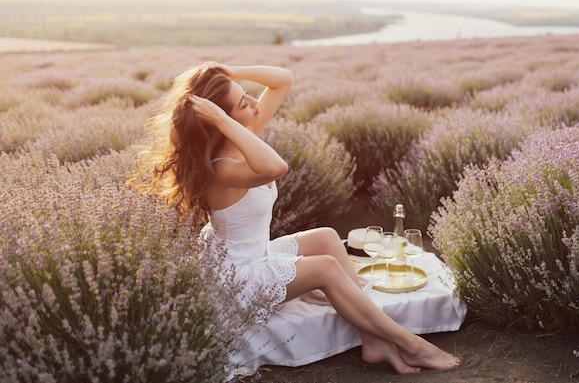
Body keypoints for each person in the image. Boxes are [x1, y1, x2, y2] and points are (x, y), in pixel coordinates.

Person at [129, 61, 461, 374]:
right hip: (236, 279)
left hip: (252, 253)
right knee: (326, 268)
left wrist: (229, 72)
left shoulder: (240, 135)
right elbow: (276, 167)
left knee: (328, 237)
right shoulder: (221, 169)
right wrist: (221, 118)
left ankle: (373, 339)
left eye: (246, 93)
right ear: (221, 120)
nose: (252, 101)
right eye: (242, 103)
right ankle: (410, 344)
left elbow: (283, 78)